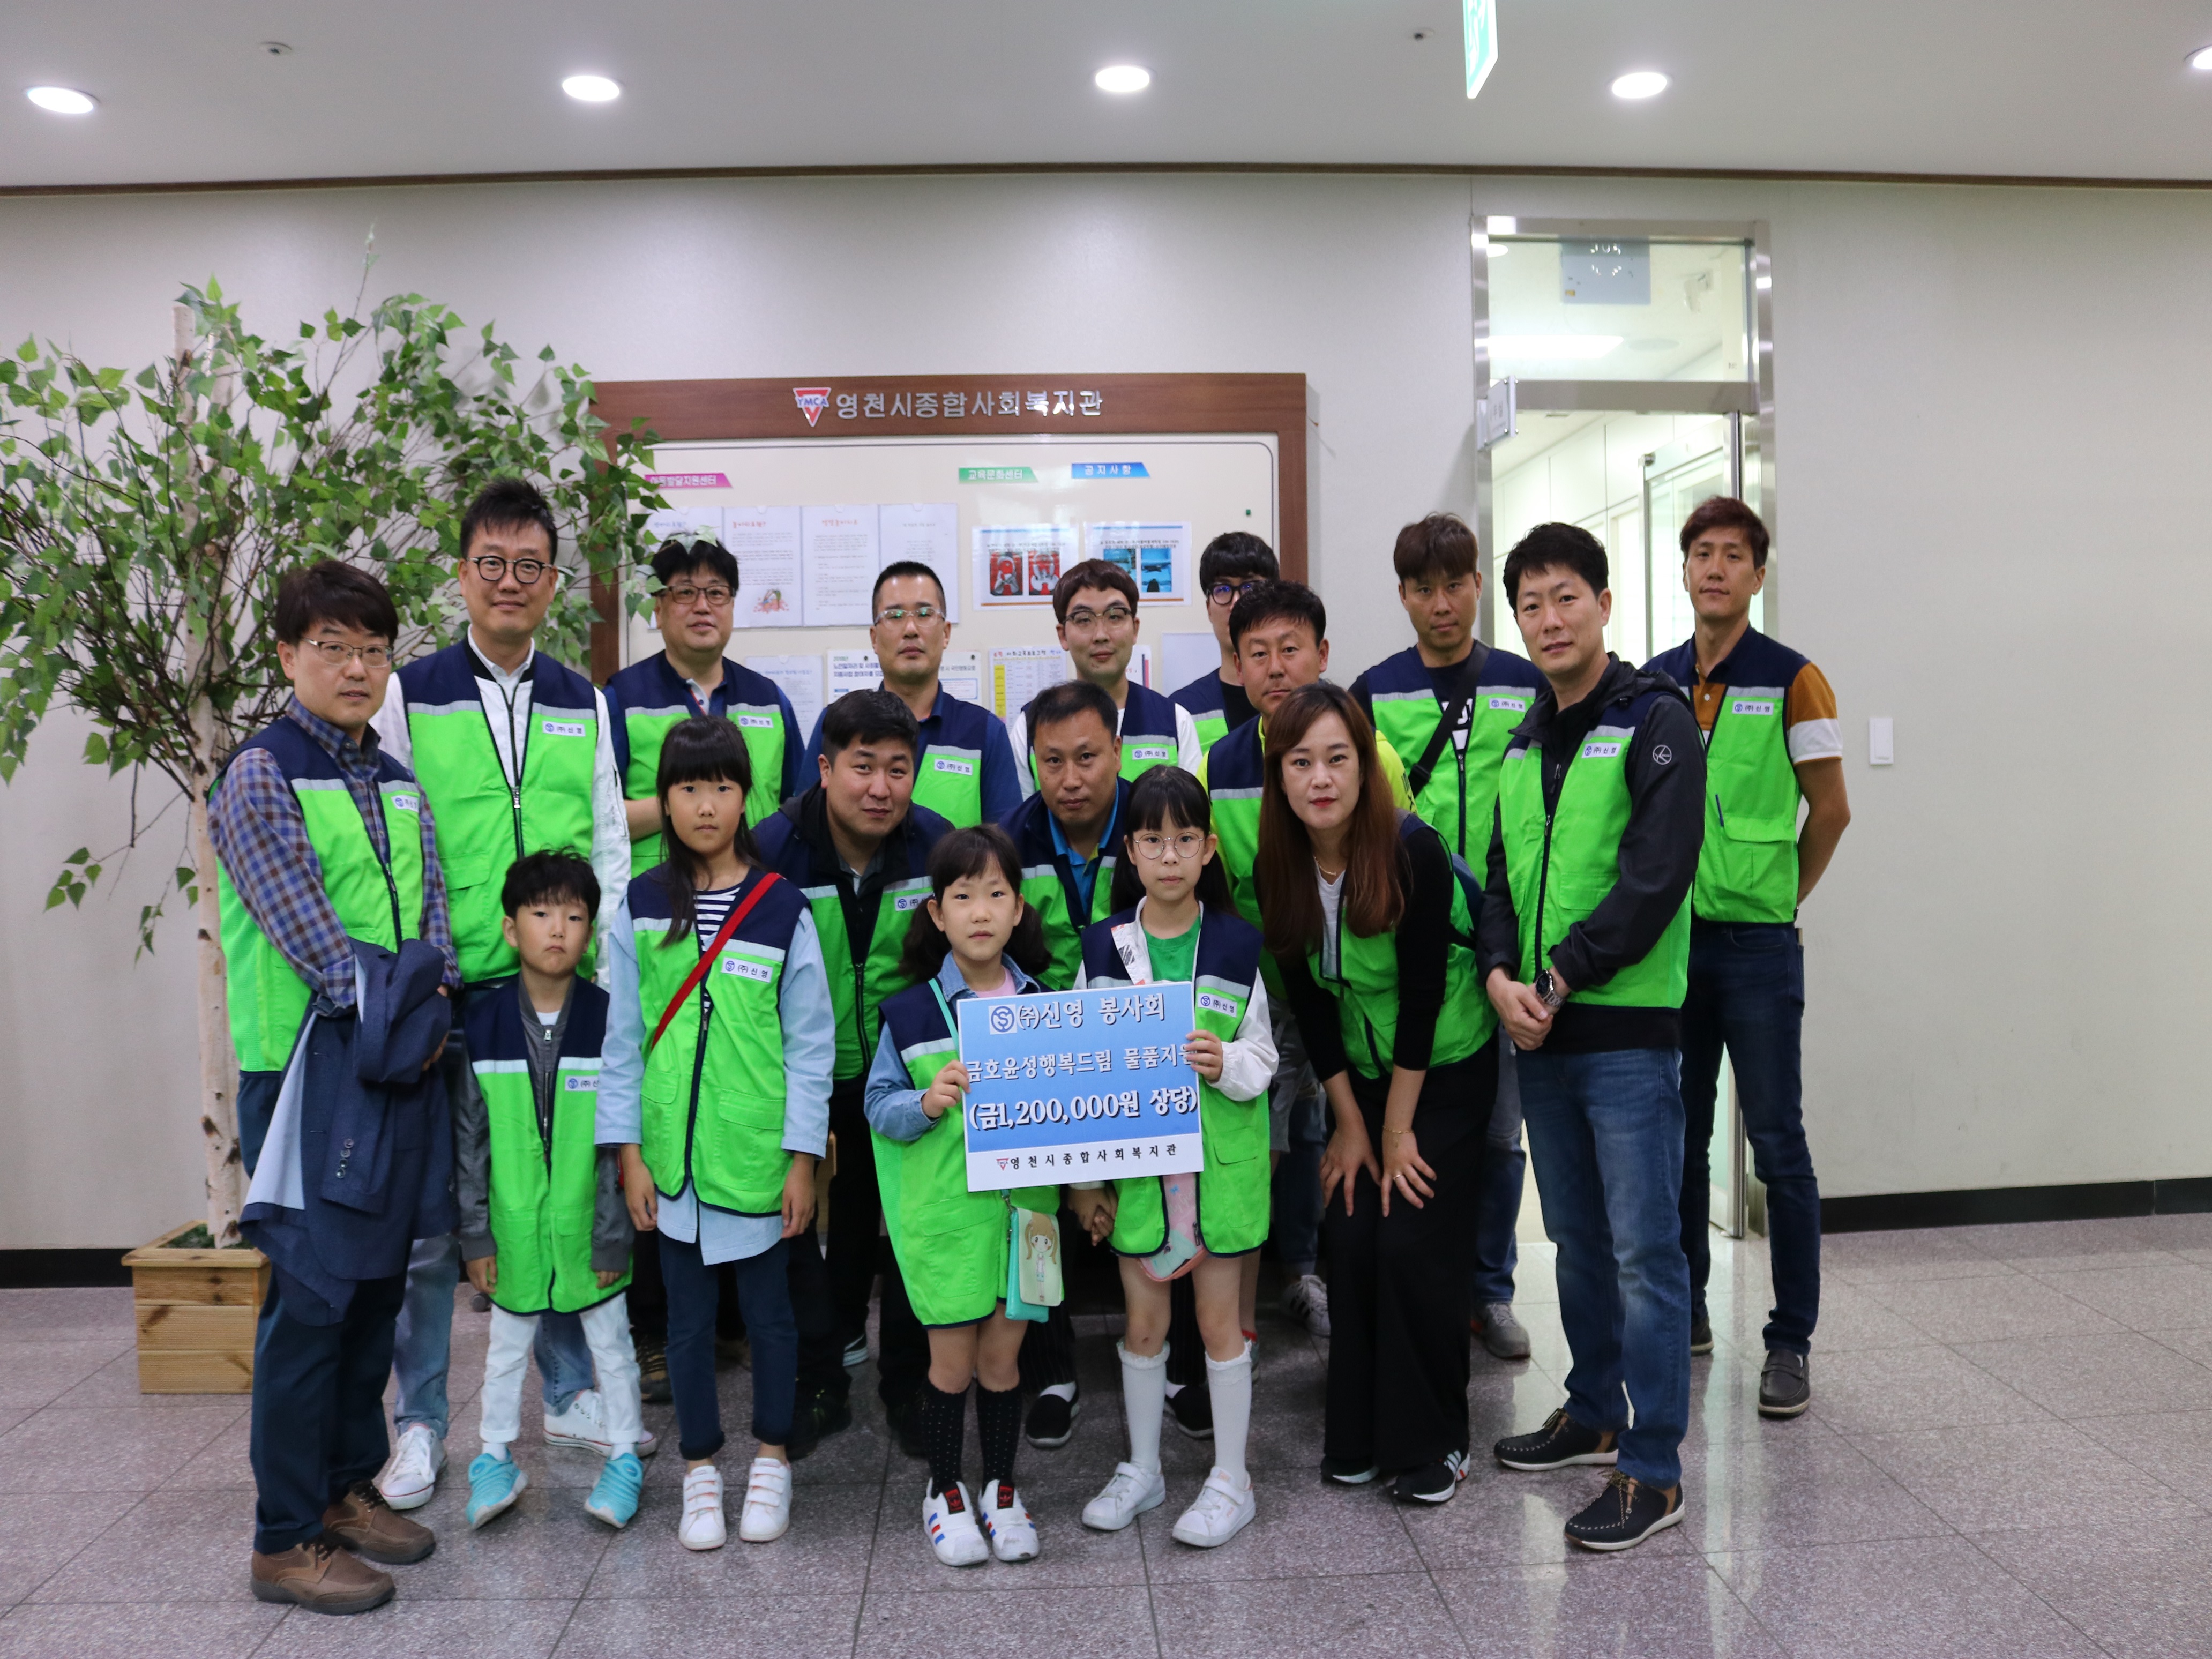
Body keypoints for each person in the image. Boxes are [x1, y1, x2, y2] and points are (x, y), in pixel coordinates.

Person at [370, 477, 636, 1510]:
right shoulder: (412, 692)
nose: (510, 581)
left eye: (529, 566)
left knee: (553, 1193)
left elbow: (608, 841)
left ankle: (567, 1394)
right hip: (453, 988)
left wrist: (605, 977)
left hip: (558, 988)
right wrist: (417, 966)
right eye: (492, 563)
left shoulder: (581, 697)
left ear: (553, 581)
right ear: (463, 574)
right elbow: (393, 835)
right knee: (440, 1217)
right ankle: (423, 1425)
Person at [211, 561, 455, 1613]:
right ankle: (284, 1537)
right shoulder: (261, 775)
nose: (357, 668)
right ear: (287, 655)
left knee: (375, 1289)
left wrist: (427, 1009)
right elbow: (316, 945)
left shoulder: (397, 780)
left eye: (373, 650)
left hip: (396, 1064)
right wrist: (413, 1012)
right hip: (307, 1072)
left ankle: (348, 1488)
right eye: (333, 648)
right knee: (310, 1302)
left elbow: (437, 928)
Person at [1479, 522, 1705, 1552]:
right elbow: (1496, 883)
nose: (1548, 619)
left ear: (1604, 604)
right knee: (1574, 1241)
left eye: (1565, 596)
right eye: (1529, 605)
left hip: (1621, 1031)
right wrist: (1499, 980)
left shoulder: (1655, 721)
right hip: (1539, 1032)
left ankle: (1651, 1469)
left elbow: (1654, 877)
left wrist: (1559, 974)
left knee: (1646, 1253)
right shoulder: (1522, 744)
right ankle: (1592, 1410)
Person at [1256, 682, 1498, 1505]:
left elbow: (1424, 999)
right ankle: (1359, 1433)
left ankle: (1439, 1441)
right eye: (1300, 763)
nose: (1320, 778)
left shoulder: (1410, 851)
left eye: (1337, 758)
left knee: (1412, 1240)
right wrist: (1351, 1126)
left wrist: (1396, 1131)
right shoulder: (1279, 866)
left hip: (1446, 1069)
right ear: (1280, 777)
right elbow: (1312, 1005)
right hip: (1361, 1076)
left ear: (1365, 766)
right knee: (1354, 1233)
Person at [599, 718, 832, 1549]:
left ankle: (773, 1457)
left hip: (757, 1155)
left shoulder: (781, 907)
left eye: (723, 788)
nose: (706, 805)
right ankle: (700, 1465)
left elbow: (811, 1047)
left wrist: (803, 1159)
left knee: (772, 1319)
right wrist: (629, 1154)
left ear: (746, 800)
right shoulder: (640, 903)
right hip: (672, 1162)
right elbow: (622, 1040)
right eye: (689, 788)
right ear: (664, 801)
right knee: (686, 1324)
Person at [1646, 497, 1849, 1417]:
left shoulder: (1794, 679)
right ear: (1685, 570)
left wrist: (1781, 897)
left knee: (1778, 1147)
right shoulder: (1652, 682)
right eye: (1702, 553)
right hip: (1670, 950)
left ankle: (1789, 1341)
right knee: (1678, 1140)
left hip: (1757, 950)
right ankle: (1688, 1309)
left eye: (1733, 555)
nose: (1716, 568)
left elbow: (1831, 810)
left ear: (1757, 576)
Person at [606, 535, 803, 1410]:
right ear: (658, 608)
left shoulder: (768, 699)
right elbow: (601, 813)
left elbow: (787, 812)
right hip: (664, 926)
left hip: (749, 924)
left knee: (735, 1124)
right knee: (669, 1139)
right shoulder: (621, 697)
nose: (700, 605)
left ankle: (737, 1338)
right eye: (682, 591)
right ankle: (661, 1339)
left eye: (715, 591)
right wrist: (686, 798)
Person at [1348, 513, 1546, 1365]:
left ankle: (1490, 1290)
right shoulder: (1375, 690)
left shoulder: (1524, 683)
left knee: (1502, 1135)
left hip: (1505, 942)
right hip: (1413, 949)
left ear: (1477, 587)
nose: (1442, 604)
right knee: (1419, 1127)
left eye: (1456, 585)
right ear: (1403, 595)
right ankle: (1427, 1280)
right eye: (1423, 589)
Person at [1066, 768, 1277, 1547]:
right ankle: (1144, 1468)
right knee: (1144, 1326)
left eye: (1185, 840)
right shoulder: (1102, 948)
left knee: (1220, 1327)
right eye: (1153, 840)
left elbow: (1265, 1055)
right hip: (1140, 1177)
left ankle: (1232, 1480)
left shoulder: (1236, 943)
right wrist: (1087, 1184)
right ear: (1130, 850)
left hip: (1216, 1174)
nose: (1169, 856)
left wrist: (1226, 1062)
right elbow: (1079, 1068)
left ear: (1210, 848)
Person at [1198, 581, 1412, 1348]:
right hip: (1257, 992)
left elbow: (1398, 865)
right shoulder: (1219, 764)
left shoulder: (1372, 752)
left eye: (1290, 649)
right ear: (1237, 664)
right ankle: (1238, 1325)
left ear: (1322, 654)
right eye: (1256, 653)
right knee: (1259, 1145)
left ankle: (1314, 1278)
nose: (1275, 667)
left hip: (1351, 989)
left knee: (1335, 1137)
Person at [757, 690, 952, 1455]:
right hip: (803, 1077)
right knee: (802, 1239)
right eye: (863, 767)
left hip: (904, 1081)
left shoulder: (935, 848)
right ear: (825, 768)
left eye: (898, 770)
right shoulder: (773, 850)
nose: (880, 788)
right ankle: (820, 1382)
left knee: (906, 1233)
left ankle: (909, 1383)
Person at [863, 826, 1062, 1567]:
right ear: (937, 914)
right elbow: (877, 1107)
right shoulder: (910, 1013)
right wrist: (926, 1102)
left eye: (997, 894)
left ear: (1019, 909)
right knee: (950, 1367)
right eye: (963, 895)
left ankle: (1001, 1492)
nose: (981, 911)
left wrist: (1088, 1191)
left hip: (1029, 1220)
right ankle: (944, 1492)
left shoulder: (1046, 1007)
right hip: (948, 1223)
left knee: (1005, 1365)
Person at [455, 852, 646, 1532]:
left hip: (591, 1225)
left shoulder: (610, 1019)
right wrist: (475, 1233)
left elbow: (621, 1141)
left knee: (613, 1344)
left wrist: (613, 1233)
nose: (558, 928)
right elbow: (470, 1141)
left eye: (574, 915)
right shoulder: (482, 1023)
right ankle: (493, 1457)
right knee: (505, 1347)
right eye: (541, 914)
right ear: (512, 930)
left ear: (592, 931)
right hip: (512, 1228)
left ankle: (625, 1456)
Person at [997, 678, 1135, 1443]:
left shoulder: (1155, 824)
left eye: (1087, 757)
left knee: (1161, 1198)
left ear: (1117, 750)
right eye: (1052, 761)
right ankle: (1050, 1368)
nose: (1071, 778)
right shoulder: (1009, 844)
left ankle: (1176, 1362)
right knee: (1037, 1213)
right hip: (1044, 1059)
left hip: (1141, 1051)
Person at [799, 560, 1022, 828]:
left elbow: (1003, 843)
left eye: (925, 614)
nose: (910, 629)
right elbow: (806, 827)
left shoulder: (985, 732)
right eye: (894, 616)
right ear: (874, 638)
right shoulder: (836, 722)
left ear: (946, 633)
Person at [1008, 558, 1201, 790]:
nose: (1101, 635)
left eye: (1115, 616)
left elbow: (1192, 811)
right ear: (1063, 636)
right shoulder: (1030, 726)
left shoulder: (1175, 721)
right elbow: (1022, 812)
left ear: (1135, 629)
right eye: (1084, 620)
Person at [1169, 531, 1278, 757]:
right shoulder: (1181, 709)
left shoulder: (1310, 698)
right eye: (1223, 589)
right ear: (1209, 609)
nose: (1237, 603)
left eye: (1250, 587)